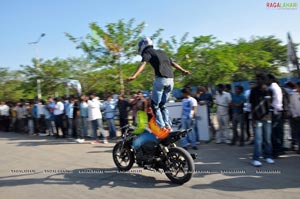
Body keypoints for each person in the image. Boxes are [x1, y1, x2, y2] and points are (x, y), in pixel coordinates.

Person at [127, 37, 190, 130]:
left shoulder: (147, 52)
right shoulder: (162, 52)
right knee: (162, 105)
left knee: (154, 105)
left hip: (161, 80)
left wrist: (135, 75)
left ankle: (162, 127)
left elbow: (143, 64)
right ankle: (168, 125)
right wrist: (183, 70)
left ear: (143, 45)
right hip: (171, 81)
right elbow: (173, 63)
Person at [250, 73, 274, 167]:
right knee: (258, 139)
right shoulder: (254, 91)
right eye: (257, 79)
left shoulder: (269, 90)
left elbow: (271, 104)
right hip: (257, 118)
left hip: (267, 117)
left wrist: (265, 93)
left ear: (264, 80)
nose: (257, 81)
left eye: (259, 79)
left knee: (267, 139)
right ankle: (256, 159)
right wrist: (252, 119)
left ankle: (268, 156)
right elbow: (252, 105)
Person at [267, 74, 284, 158]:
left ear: (270, 79)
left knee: (273, 133)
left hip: (275, 112)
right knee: (278, 132)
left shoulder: (272, 87)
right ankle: (280, 150)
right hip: (278, 111)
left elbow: (271, 101)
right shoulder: (277, 87)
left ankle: (275, 152)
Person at [288, 81, 300, 154]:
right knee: (297, 133)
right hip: (296, 117)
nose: (296, 88)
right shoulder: (293, 95)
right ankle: (298, 147)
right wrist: (295, 115)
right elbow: (291, 106)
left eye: (297, 86)